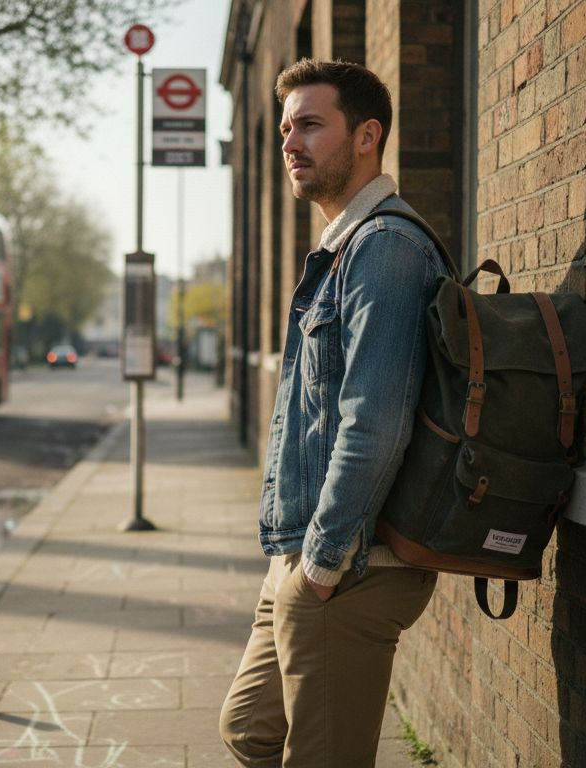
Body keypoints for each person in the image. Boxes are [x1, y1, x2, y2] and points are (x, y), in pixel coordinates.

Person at [219, 59, 446, 767]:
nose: (290, 142)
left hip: (350, 564)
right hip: (305, 553)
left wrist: (321, 563)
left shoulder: (384, 249)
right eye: (286, 127)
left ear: (367, 136)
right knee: (248, 727)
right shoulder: (343, 249)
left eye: (311, 125)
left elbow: (373, 424)